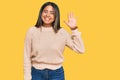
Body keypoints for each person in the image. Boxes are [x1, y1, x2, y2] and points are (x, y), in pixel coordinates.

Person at [24, 1, 85, 80]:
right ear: (41, 13)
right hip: (36, 73)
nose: (47, 15)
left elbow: (80, 49)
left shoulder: (62, 32)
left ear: (56, 16)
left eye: (52, 12)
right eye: (45, 11)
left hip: (57, 74)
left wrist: (74, 29)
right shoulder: (32, 31)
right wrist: (27, 78)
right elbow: (26, 57)